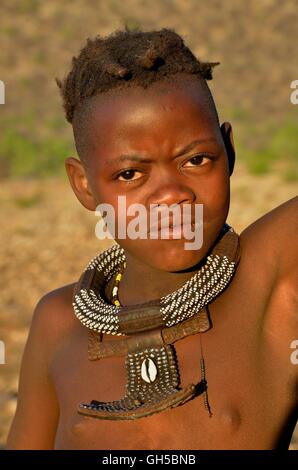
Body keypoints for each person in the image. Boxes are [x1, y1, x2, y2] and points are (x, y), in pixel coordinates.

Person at [7, 28, 297, 450]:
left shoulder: (270, 281)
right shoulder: (58, 322)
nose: (170, 195)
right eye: (130, 174)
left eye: (196, 159)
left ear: (228, 151)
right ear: (84, 186)